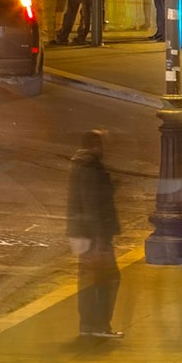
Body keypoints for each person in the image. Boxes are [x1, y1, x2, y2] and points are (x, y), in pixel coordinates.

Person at [66, 130, 122, 339]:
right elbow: (91, 205)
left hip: (83, 233)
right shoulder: (90, 168)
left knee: (90, 279)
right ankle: (98, 324)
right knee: (108, 278)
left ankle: (89, 325)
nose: (106, 148)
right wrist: (99, 239)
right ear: (94, 145)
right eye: (103, 144)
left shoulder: (82, 165)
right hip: (93, 235)